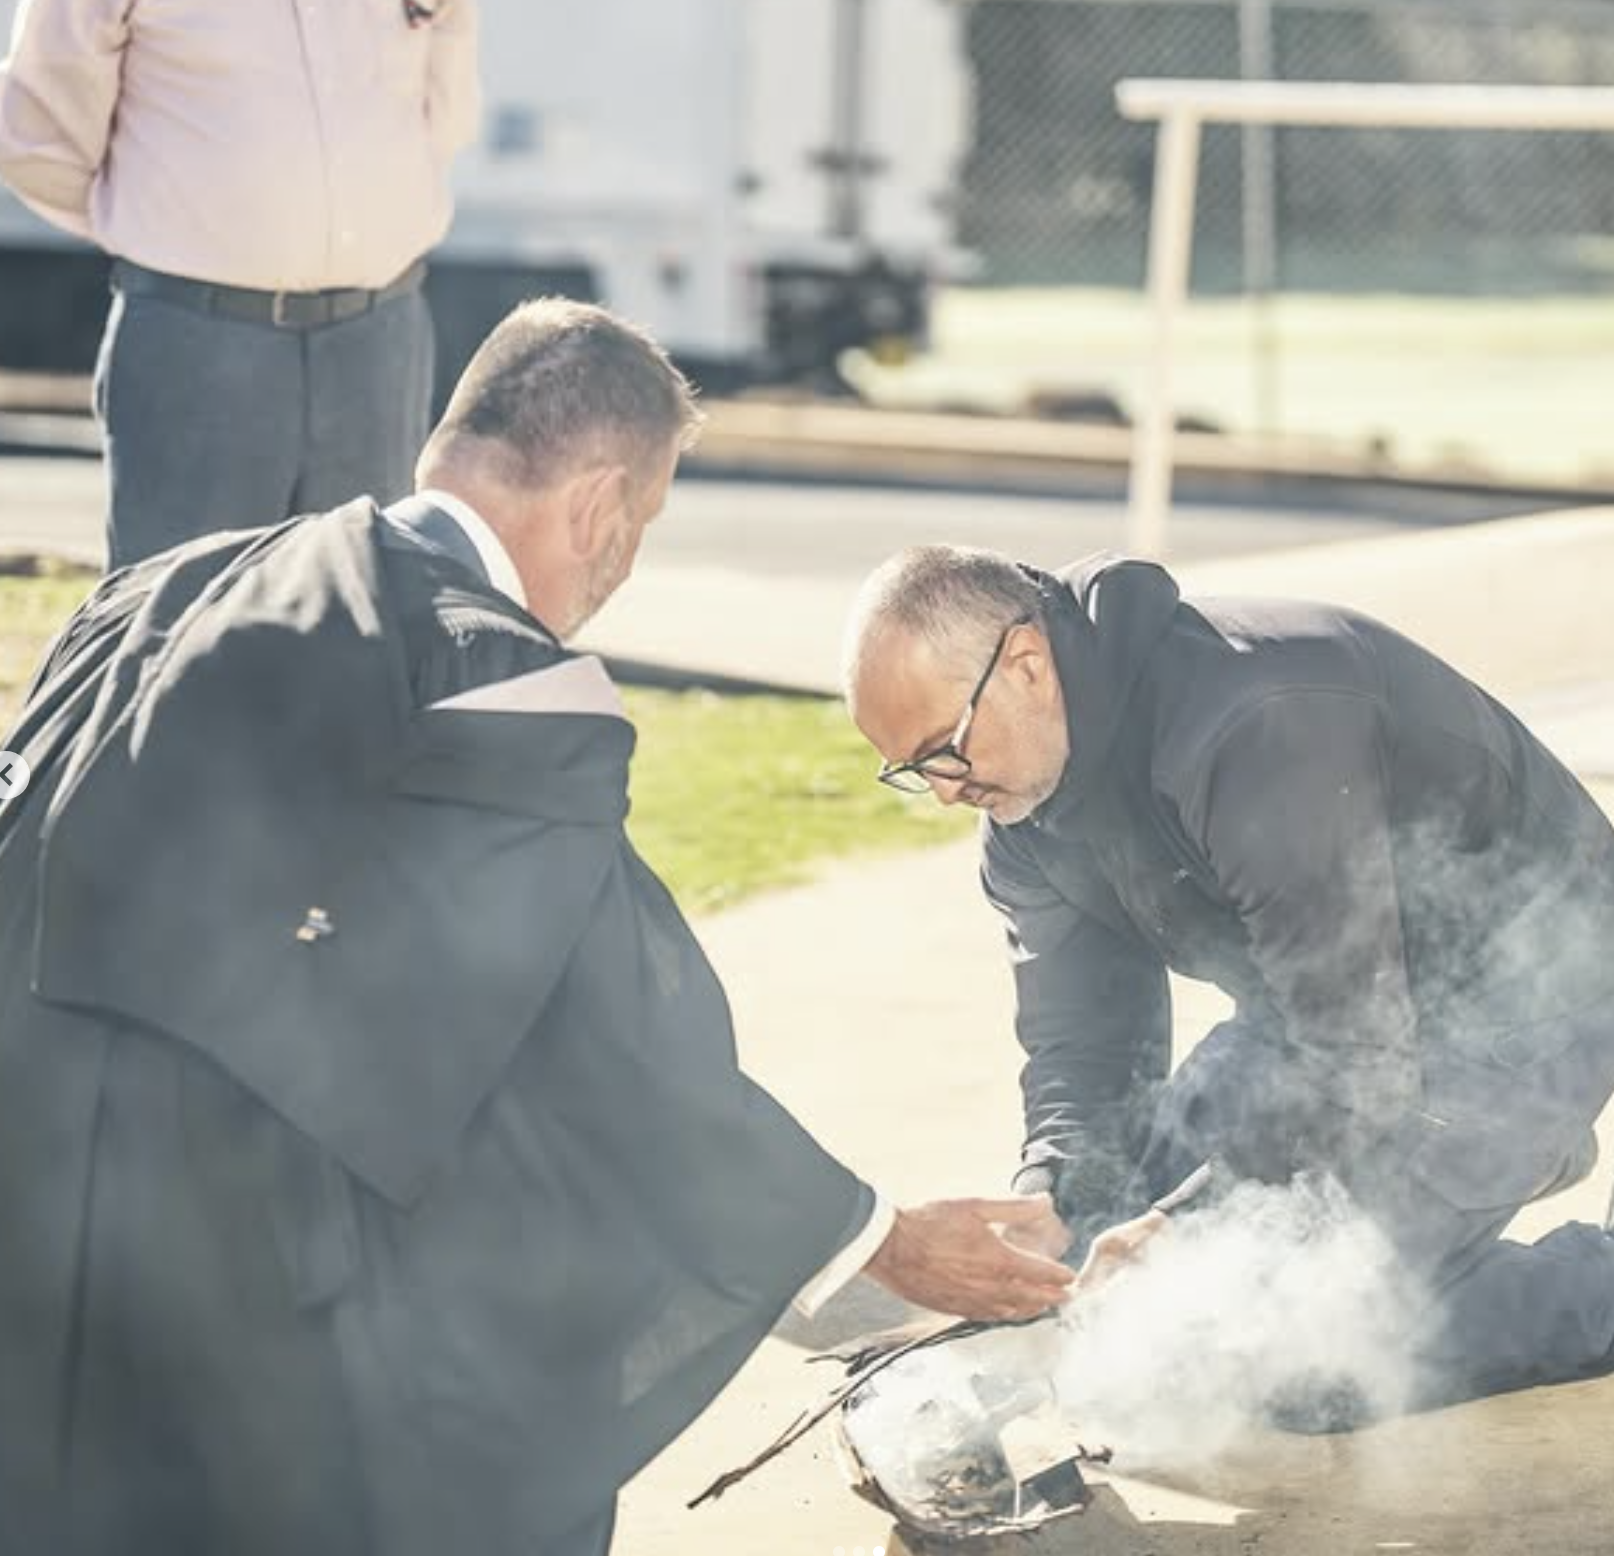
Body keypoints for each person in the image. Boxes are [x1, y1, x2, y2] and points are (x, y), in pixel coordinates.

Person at [0, 304, 1074, 1556]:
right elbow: (618, 1040)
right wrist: (876, 1236)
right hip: (223, 1276)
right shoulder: (503, 676)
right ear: (602, 504)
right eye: (649, 523)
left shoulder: (154, 590)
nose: (625, 563)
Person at [842, 542, 1614, 1413]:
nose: (943, 792)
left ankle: (1537, 1193)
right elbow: (1085, 1043)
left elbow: (1359, 1055)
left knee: (1294, 1353)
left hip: (1527, 1005)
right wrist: (1058, 1193)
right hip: (1315, 1015)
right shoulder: (1023, 810)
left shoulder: (1253, 721)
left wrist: (1190, 1226)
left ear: (1024, 664)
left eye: (942, 749)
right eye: (912, 770)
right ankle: (1488, 1167)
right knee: (1100, 1240)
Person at [0, 0, 481, 568]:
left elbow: (447, 113)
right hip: (197, 345)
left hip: (378, 341)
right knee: (187, 629)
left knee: (362, 627)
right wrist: (164, 228)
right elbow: (35, 134)